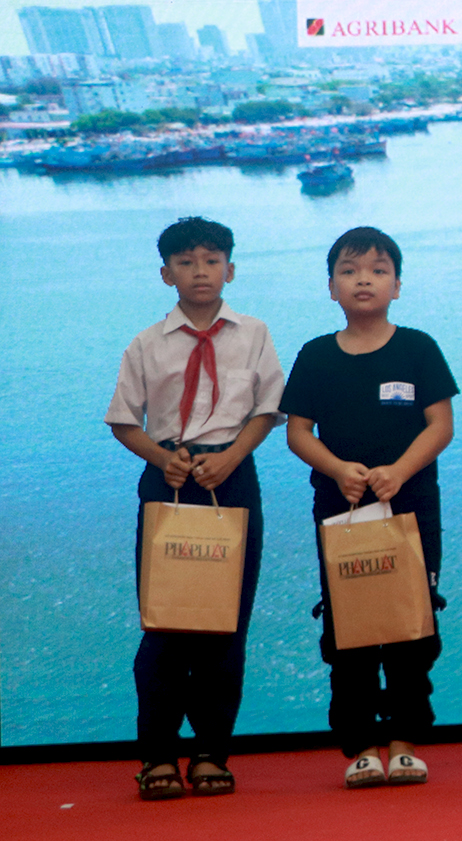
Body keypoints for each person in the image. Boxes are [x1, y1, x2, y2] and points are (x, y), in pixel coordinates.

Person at [107, 217, 284, 800]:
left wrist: (232, 456)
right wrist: (163, 460)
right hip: (168, 481)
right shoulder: (146, 343)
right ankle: (157, 754)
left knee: (224, 625)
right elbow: (123, 420)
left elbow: (267, 408)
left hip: (231, 478)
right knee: (165, 624)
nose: (200, 271)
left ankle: (211, 752)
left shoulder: (254, 332)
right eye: (186, 262)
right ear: (166, 274)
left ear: (230, 269)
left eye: (212, 260)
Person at [282, 227, 458, 787]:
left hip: (411, 508)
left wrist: (399, 471)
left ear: (398, 285)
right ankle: (359, 744)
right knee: (348, 624)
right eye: (351, 270)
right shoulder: (315, 355)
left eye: (379, 270)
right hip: (341, 509)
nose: (365, 279)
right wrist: (337, 468)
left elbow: (441, 425)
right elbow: (298, 433)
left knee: (412, 620)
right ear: (331, 286)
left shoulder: (419, 348)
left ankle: (405, 740)